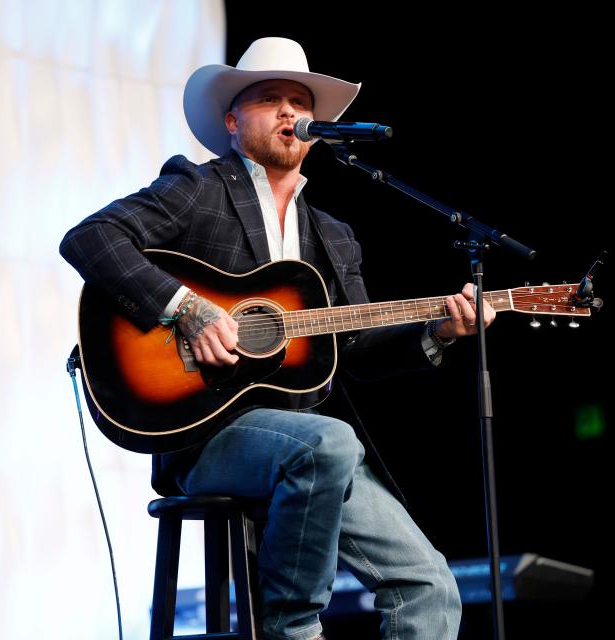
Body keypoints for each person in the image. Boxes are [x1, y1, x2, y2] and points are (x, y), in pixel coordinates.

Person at [60, 37, 495, 640]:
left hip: (313, 442)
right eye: (270, 99)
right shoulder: (199, 190)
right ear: (234, 121)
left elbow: (356, 351)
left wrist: (439, 331)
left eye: (299, 101)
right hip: (205, 434)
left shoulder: (334, 235)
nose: (289, 112)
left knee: (429, 587)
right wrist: (189, 311)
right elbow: (90, 238)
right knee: (329, 442)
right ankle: (291, 628)